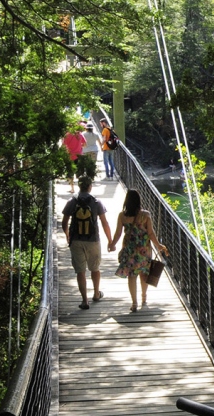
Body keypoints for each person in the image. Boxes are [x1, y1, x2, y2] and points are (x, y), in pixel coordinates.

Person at [108, 190, 169, 313]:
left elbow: (118, 233)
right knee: (144, 274)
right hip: (144, 250)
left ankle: (134, 303)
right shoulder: (145, 215)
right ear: (139, 201)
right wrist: (158, 246)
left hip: (130, 250)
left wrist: (112, 244)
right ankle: (144, 297)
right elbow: (151, 233)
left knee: (132, 276)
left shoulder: (122, 216)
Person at [61, 177, 113, 310]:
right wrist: (110, 240)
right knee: (95, 268)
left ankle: (84, 301)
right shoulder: (96, 202)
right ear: (90, 186)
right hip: (93, 240)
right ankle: (96, 294)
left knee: (80, 271)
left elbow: (64, 222)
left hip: (76, 240)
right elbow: (104, 222)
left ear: (79, 186)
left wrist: (67, 235)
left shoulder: (72, 201)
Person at [61, 124, 85, 193]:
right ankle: (81, 189)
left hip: (70, 156)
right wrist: (79, 147)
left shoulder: (67, 135)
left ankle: (72, 189)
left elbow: (63, 146)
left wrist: (67, 150)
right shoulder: (80, 134)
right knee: (79, 173)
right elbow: (85, 144)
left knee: (70, 173)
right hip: (79, 155)